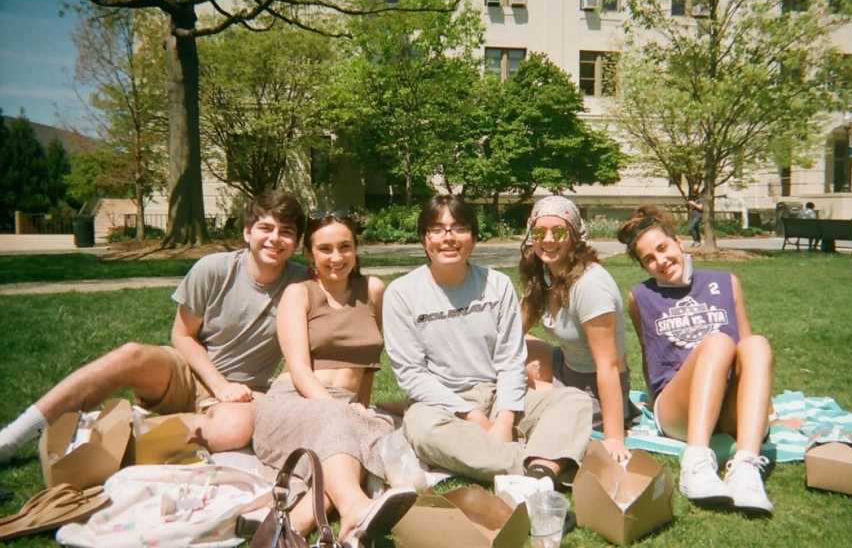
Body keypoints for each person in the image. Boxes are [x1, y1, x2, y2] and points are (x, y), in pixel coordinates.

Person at [0, 190, 307, 462]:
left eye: (286, 231)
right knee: (131, 354)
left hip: (244, 392)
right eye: (265, 228)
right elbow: (182, 335)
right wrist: (218, 385)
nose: (275, 239)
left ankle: (107, 436)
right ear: (247, 232)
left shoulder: (303, 284)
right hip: (190, 373)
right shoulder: (213, 269)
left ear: (296, 242)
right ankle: (13, 437)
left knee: (235, 430)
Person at [383, 195, 593, 486]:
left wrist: (505, 420)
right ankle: (538, 469)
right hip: (442, 406)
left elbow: (510, 359)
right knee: (421, 428)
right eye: (437, 229)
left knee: (575, 401)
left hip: (498, 396)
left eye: (459, 228)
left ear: (473, 237)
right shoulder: (401, 293)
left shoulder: (497, 284)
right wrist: (473, 417)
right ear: (424, 239)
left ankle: (516, 463)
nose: (448, 238)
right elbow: (411, 375)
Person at [252, 211, 416, 546]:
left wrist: (360, 411)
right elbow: (299, 370)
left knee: (342, 462)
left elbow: (370, 363)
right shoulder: (299, 293)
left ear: (356, 249)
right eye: (325, 249)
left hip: (342, 408)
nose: (337, 257)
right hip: (295, 402)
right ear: (310, 254)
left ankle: (292, 533)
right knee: (344, 442)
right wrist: (345, 413)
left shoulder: (372, 290)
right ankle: (356, 508)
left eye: (345, 247)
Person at [616, 206, 774, 514]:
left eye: (663, 248)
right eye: (649, 258)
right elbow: (651, 356)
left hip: (726, 404)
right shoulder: (640, 296)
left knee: (756, 344)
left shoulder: (726, 281)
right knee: (716, 342)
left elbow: (745, 348)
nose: (660, 261)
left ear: (679, 242)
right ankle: (696, 462)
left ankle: (746, 468)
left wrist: (769, 408)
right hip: (678, 408)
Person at [518, 196, 636, 464]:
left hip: (596, 386)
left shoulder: (590, 285)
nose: (548, 239)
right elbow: (512, 332)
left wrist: (614, 437)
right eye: (539, 232)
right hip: (566, 367)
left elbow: (608, 365)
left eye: (558, 231)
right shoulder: (544, 274)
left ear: (573, 235)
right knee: (513, 352)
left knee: (524, 402)